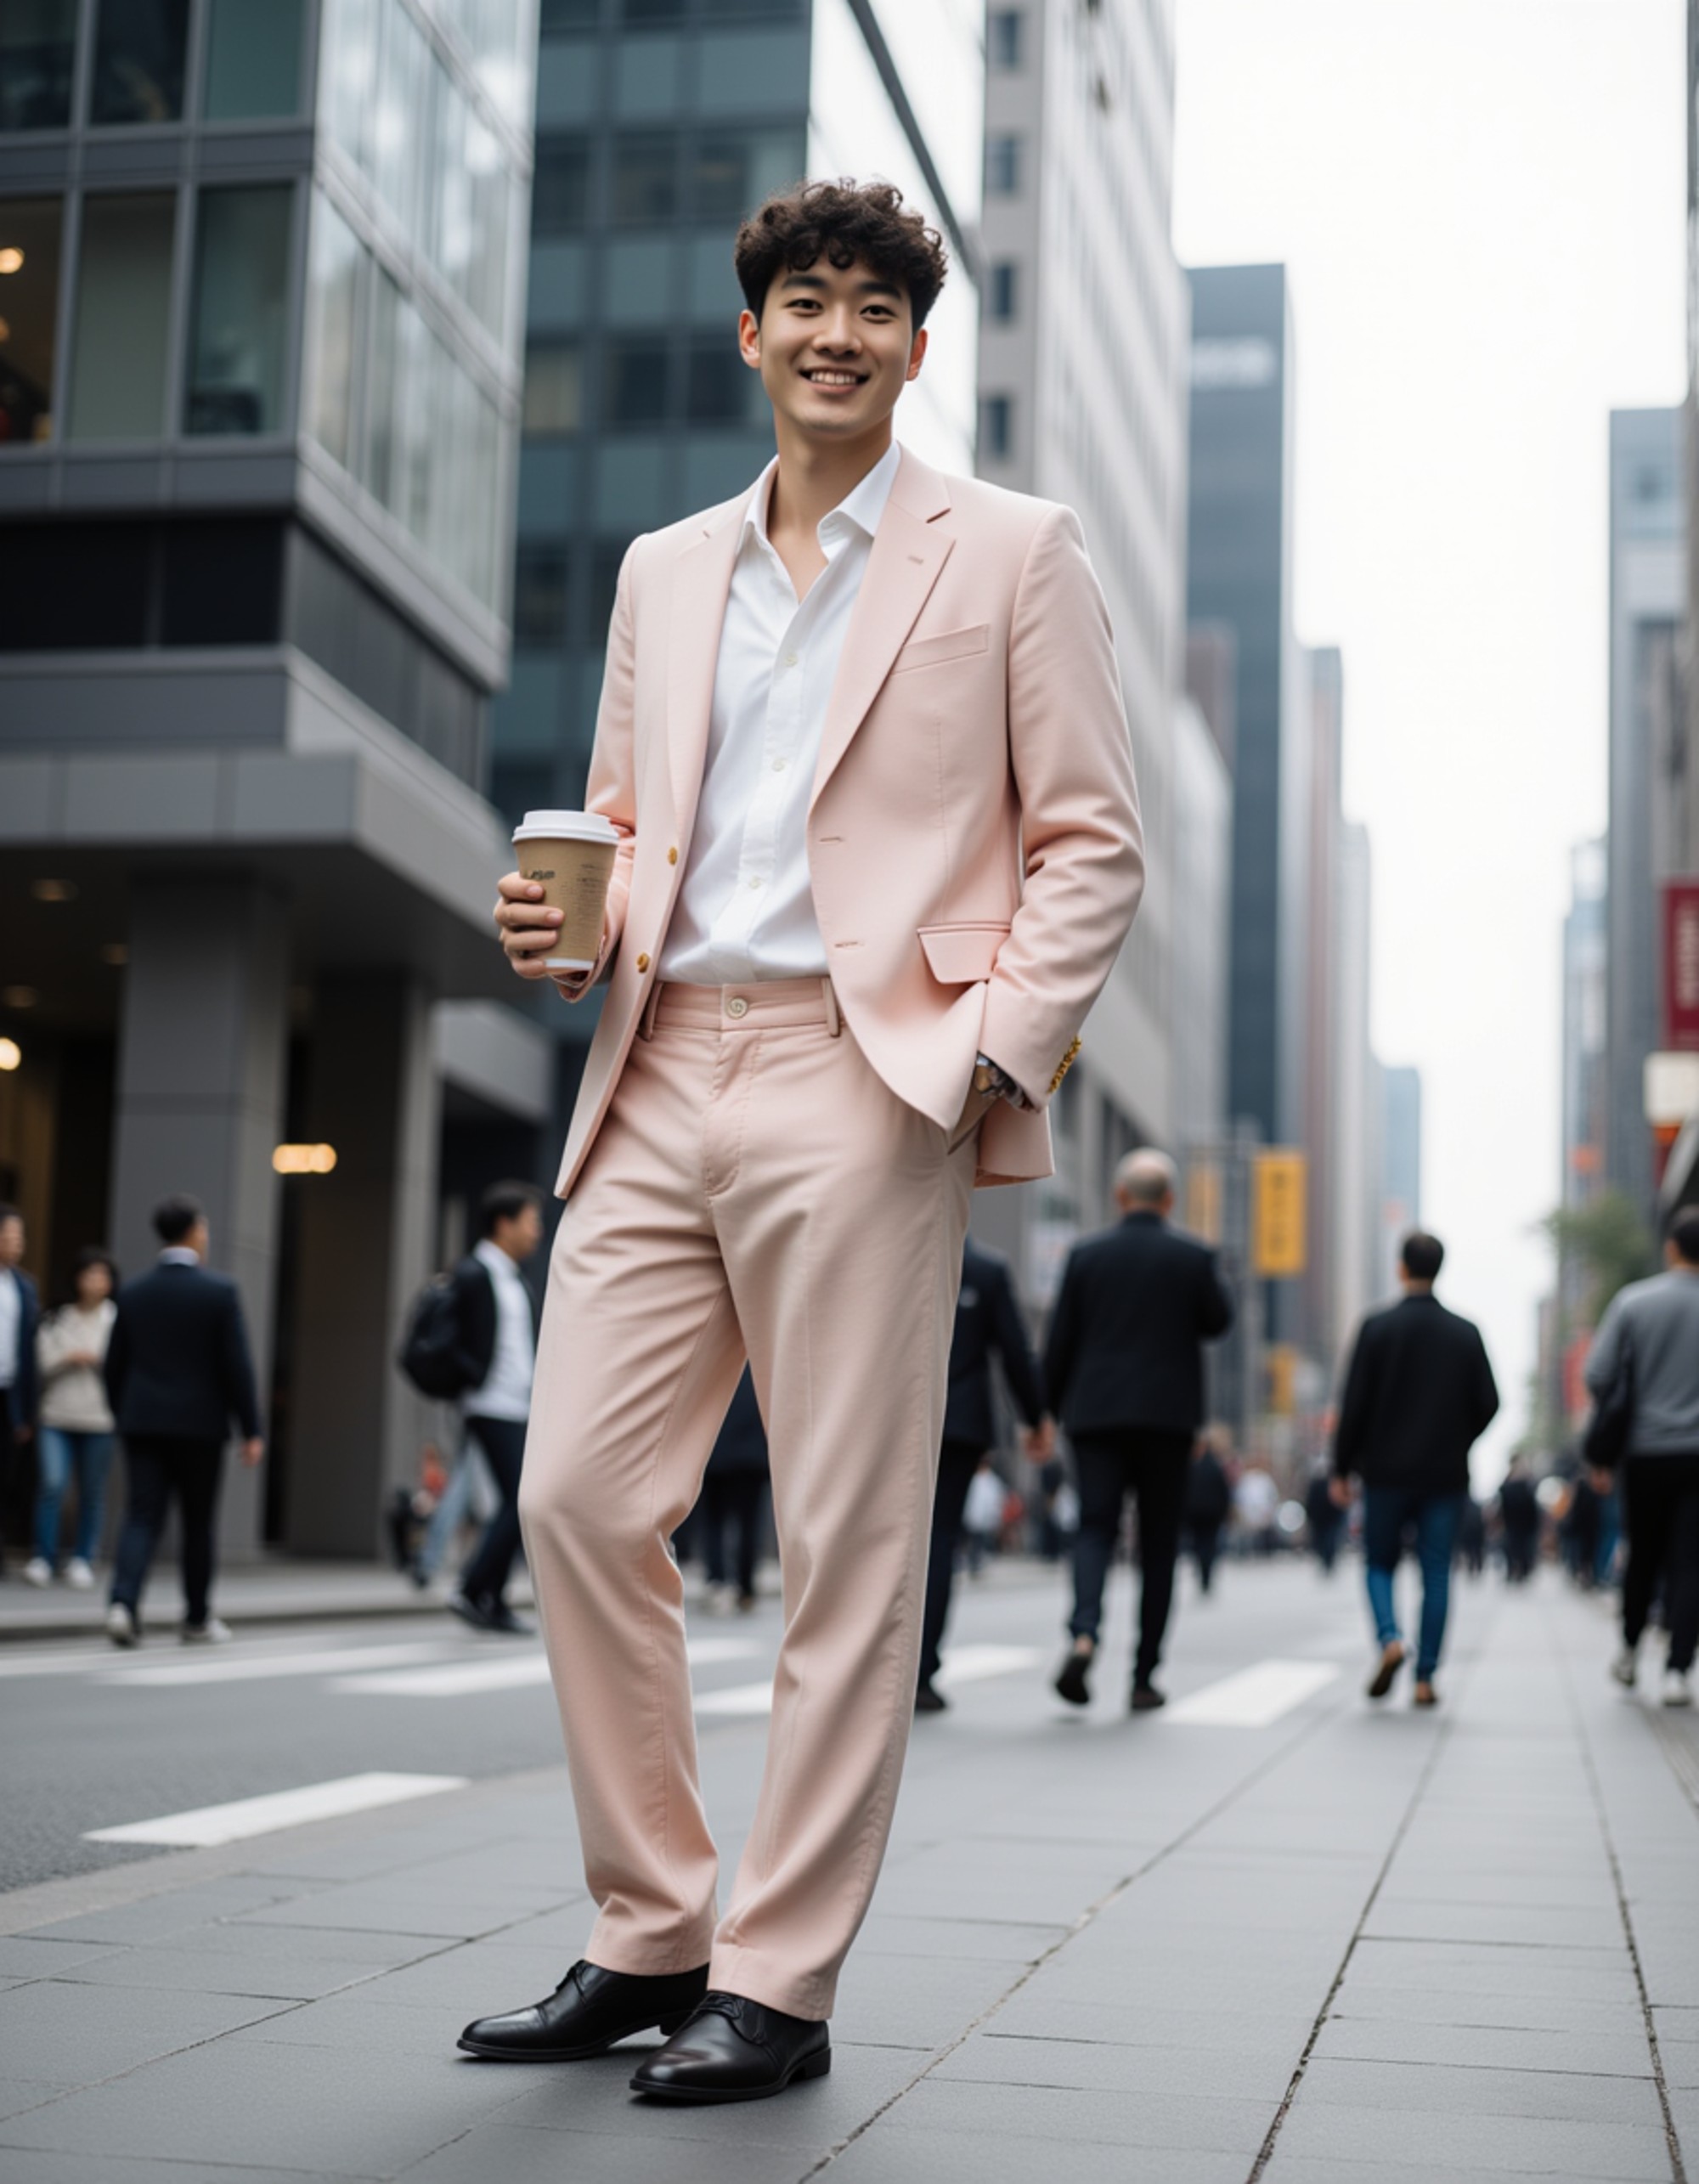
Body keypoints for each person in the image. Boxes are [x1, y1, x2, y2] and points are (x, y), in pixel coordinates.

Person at [466, 178, 1141, 2104]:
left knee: (849, 1539)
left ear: (914, 350)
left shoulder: (1011, 552)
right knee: (577, 1502)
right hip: (661, 1055)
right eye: (802, 301)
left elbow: (1090, 836)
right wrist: (551, 919)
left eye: (871, 307)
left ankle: (774, 1978)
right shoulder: (662, 571)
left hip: (871, 1070)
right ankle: (646, 1924)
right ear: (749, 333)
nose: (834, 331)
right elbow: (612, 818)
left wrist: (979, 1056)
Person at [1045, 1148, 1234, 1713]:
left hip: (1096, 1414)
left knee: (1095, 1528)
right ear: (1170, 1200)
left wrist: (1044, 1414)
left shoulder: (1085, 1256)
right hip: (1166, 1419)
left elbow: (1059, 1342)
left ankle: (1084, 1631)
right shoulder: (1193, 1256)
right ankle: (1144, 1674)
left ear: (1120, 1196)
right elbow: (1219, 1321)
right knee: (1157, 1545)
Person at [1330, 1230, 1499, 1707]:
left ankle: (1389, 1639)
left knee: (1379, 1562)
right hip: (1444, 1474)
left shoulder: (1376, 1328)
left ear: (1400, 1267)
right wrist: (1458, 1439)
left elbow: (1354, 1404)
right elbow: (1489, 1402)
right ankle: (1425, 1678)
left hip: (1383, 1472)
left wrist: (1343, 1467)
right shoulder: (1465, 1332)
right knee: (1437, 1571)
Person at [104, 1196, 262, 1645]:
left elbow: (114, 1365)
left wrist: (124, 1412)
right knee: (197, 1521)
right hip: (200, 1425)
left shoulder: (133, 1292)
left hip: (143, 1422)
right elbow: (238, 1367)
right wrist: (252, 1428)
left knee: (140, 1515)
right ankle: (196, 1617)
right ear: (194, 1233)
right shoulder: (219, 1292)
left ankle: (122, 1603)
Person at [917, 1236, 1050, 1713]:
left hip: (890, 1416)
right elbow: (1017, 1351)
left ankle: (873, 1670)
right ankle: (921, 1671)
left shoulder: (887, 1245)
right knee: (939, 1541)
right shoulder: (987, 1269)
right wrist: (1035, 1417)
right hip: (959, 1420)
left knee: (885, 1541)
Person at [1585, 1205, 1699, 1707]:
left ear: (1671, 1248)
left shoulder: (1634, 1303)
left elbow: (1598, 1373)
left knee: (1643, 1555)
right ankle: (1678, 1670)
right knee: (1691, 1562)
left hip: (1646, 1453)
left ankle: (1630, 1650)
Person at [445, 1182, 545, 1638]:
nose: (537, 1232)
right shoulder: (471, 1274)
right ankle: (472, 1588)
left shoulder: (513, 1278)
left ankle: (492, 1598)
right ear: (503, 1224)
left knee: (516, 1500)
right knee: (522, 1500)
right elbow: (448, 1340)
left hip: (517, 1404)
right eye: (530, 1221)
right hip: (489, 1404)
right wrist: (470, 1377)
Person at [25, 1248, 119, 1589]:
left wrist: (99, 1362)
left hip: (100, 1418)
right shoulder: (57, 1318)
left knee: (92, 1492)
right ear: (77, 1279)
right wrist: (69, 1357)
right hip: (56, 1414)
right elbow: (37, 1363)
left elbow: (125, 1369)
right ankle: (43, 1557)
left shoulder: (117, 1320)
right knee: (52, 1485)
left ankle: (82, 1557)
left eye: (102, 1275)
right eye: (89, 1274)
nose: (95, 1282)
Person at [700, 1368, 770, 1613]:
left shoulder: (714, 1371)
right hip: (751, 1459)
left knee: (713, 1522)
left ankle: (717, 1581)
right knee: (750, 1524)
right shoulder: (760, 1371)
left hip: (714, 1458)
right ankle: (746, 1586)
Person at [0, 1205, 41, 1572]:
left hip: (10, 1392)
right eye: (9, 1235)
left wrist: (28, 1411)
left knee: (6, 1474)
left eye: (19, 1237)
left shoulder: (26, 1288)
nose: (16, 1244)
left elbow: (30, 1354)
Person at [1185, 1433, 1233, 1594]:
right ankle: (1206, 1573)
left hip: (1196, 1513)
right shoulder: (1215, 1467)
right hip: (1212, 1514)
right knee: (1209, 1544)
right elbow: (1224, 1492)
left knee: (1199, 1544)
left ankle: (1203, 1571)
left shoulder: (1193, 1466)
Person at [1497, 1458, 1540, 1583]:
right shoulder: (1507, 1484)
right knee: (1512, 1547)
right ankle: (1513, 1570)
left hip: (1526, 1523)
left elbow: (1533, 1506)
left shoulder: (1528, 1483)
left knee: (1524, 1548)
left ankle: (1522, 1571)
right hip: (1512, 1522)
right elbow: (1503, 1504)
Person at [1304, 1464, 1345, 1576]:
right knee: (1323, 1542)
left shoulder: (1332, 1485)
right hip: (1320, 1519)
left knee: (1330, 1542)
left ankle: (1329, 1562)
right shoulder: (1317, 1485)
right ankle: (1326, 1561)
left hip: (1331, 1519)